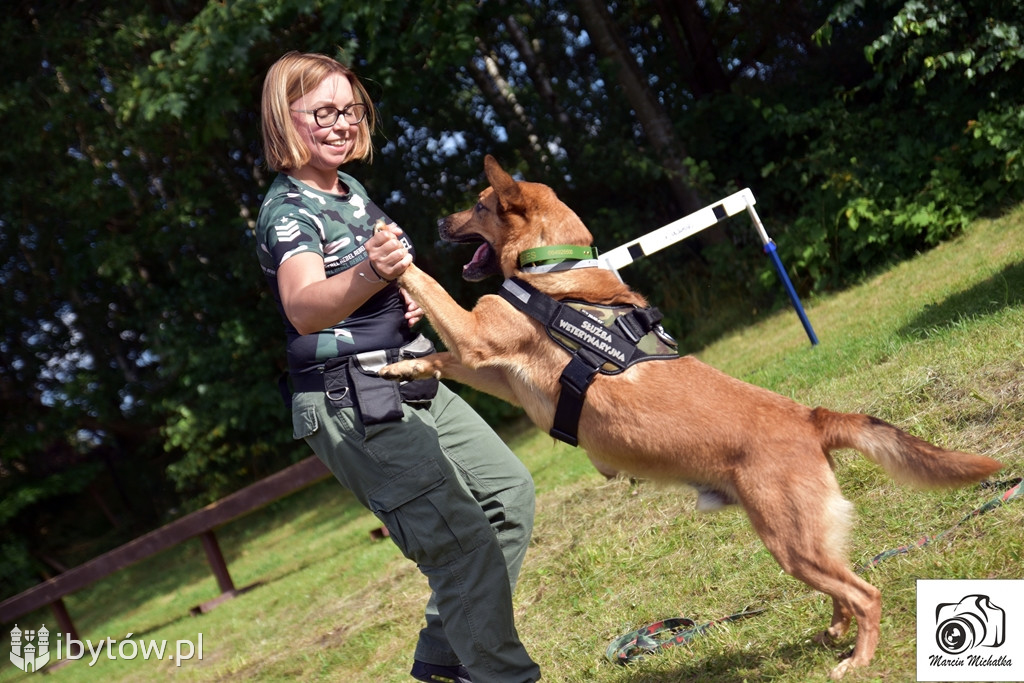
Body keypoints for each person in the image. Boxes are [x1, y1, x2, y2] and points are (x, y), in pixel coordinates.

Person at [254, 51, 541, 683]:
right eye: (322, 112)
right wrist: (371, 274)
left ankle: (445, 664)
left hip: (410, 373)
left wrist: (400, 295)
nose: (341, 123)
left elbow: (372, 280)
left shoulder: (348, 189)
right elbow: (303, 307)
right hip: (351, 396)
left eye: (349, 110)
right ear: (285, 117)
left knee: (507, 495)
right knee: (461, 545)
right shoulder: (288, 213)